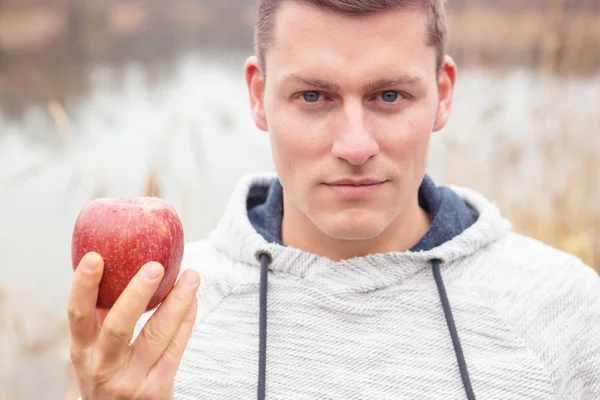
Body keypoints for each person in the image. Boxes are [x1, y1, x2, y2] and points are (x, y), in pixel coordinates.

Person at [66, 0, 600, 399]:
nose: (355, 146)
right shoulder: (156, 325)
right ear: (258, 96)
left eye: (389, 96)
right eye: (313, 96)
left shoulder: (566, 311)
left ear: (444, 94)